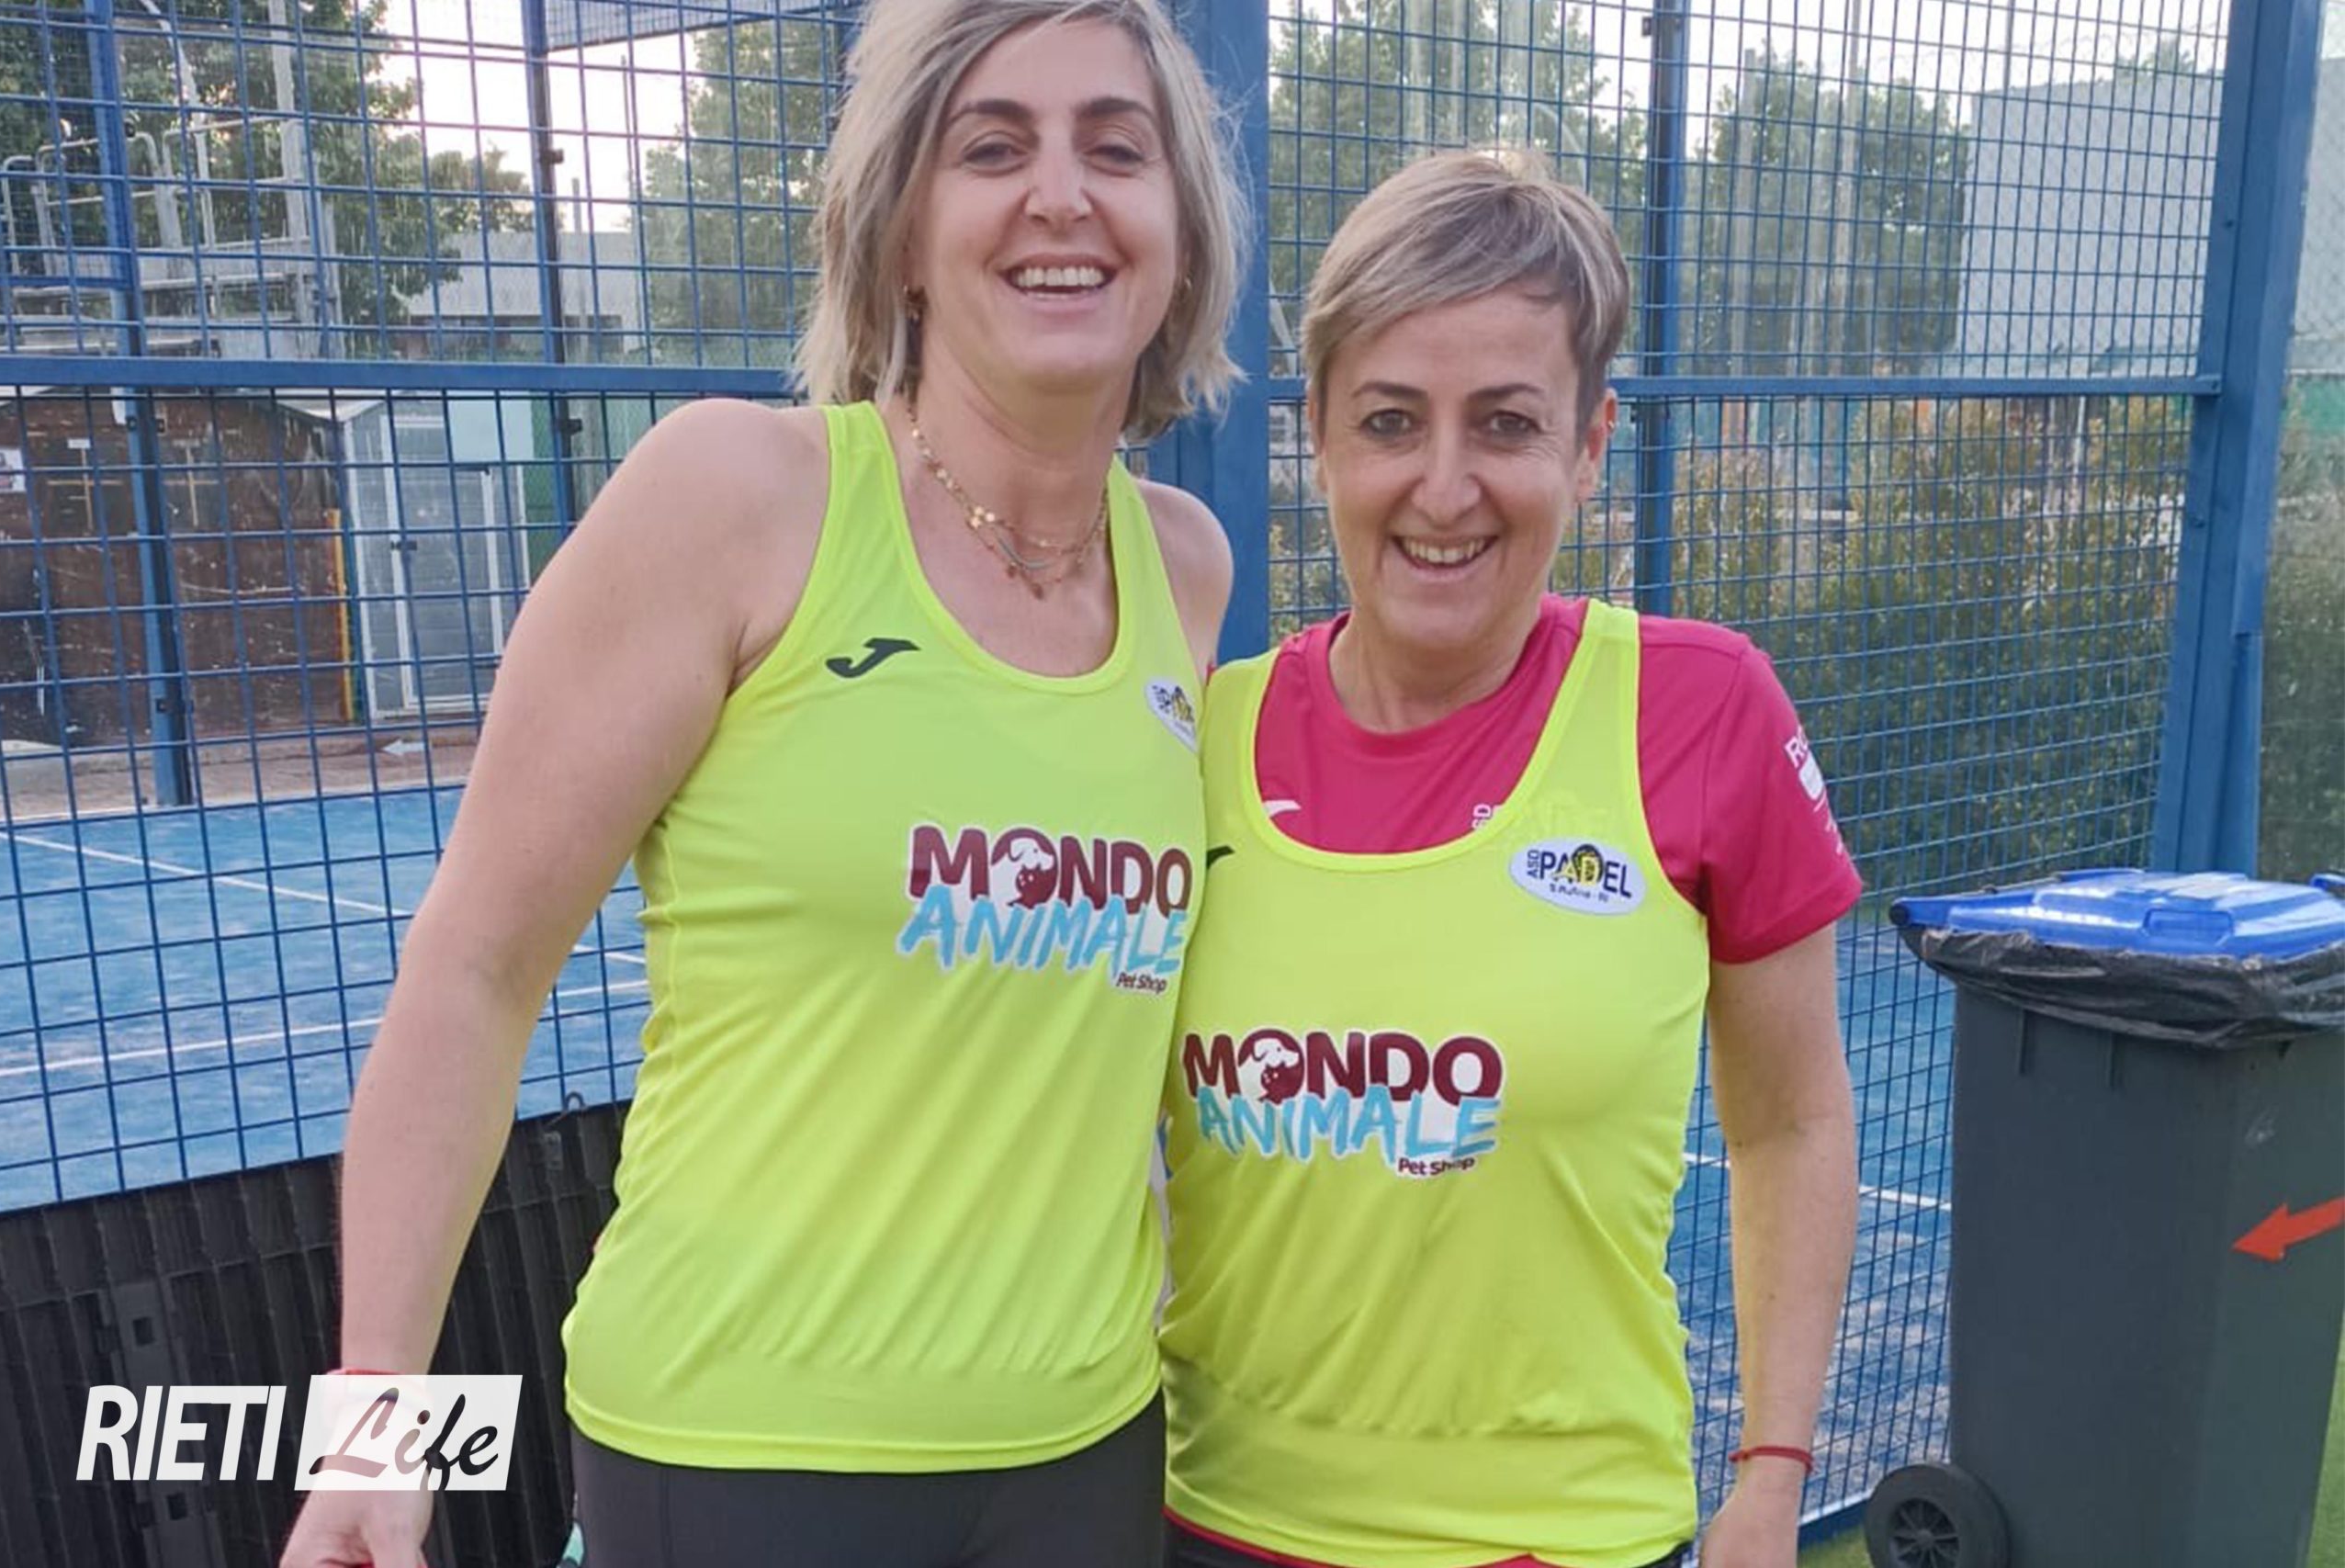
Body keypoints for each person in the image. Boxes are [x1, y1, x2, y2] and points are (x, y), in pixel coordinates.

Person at [280, 2, 1246, 1564]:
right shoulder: (738, 499)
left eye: (1116, 150)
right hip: (739, 1451)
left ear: (1180, 237)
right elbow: (474, 966)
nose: (1062, 195)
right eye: (992, 147)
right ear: (901, 236)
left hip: (1085, 1452)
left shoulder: (1186, 574)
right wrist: (374, 1428)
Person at [1157, 149, 1860, 1568]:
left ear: (1589, 446)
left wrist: (1772, 1475)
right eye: (1390, 421)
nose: (1444, 487)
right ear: (1317, 436)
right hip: (1207, 1520)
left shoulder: (1702, 710)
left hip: (1566, 1537)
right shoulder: (1196, 737)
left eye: (1507, 424)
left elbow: (1791, 1122)